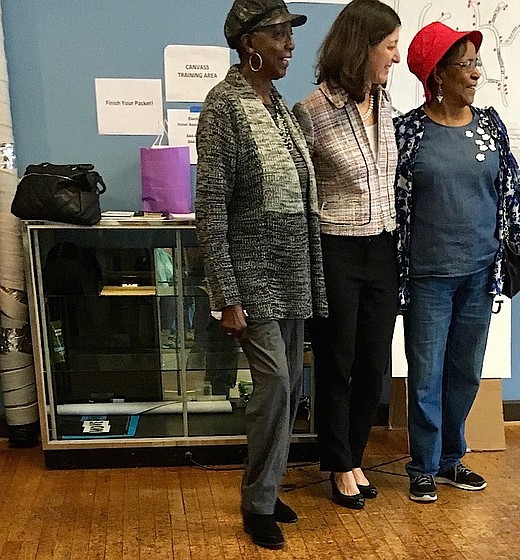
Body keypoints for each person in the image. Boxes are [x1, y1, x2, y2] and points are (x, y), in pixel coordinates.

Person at [195, 0, 327, 549]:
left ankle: (268, 488)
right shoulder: (222, 107)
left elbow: (300, 193)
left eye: (290, 32)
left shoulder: (283, 108)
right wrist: (227, 294)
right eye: (279, 33)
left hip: (291, 270)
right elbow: (211, 207)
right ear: (250, 43)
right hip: (251, 278)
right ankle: (256, 502)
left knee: (291, 384)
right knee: (273, 385)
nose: (290, 43)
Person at [395, 22, 520, 502]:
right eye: (467, 63)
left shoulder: (490, 124)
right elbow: (395, 205)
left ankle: (453, 459)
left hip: (480, 271)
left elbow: (509, 189)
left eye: (477, 62)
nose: (476, 73)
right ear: (438, 73)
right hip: (429, 276)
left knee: (467, 371)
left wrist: (512, 244)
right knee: (426, 372)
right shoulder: (409, 131)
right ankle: (423, 466)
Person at [293, 0, 400, 510]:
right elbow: (301, 193)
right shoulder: (311, 111)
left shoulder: (387, 104)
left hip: (383, 246)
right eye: (390, 47)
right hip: (336, 247)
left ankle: (354, 454)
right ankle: (337, 464)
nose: (395, 59)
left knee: (375, 361)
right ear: (362, 48)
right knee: (337, 360)